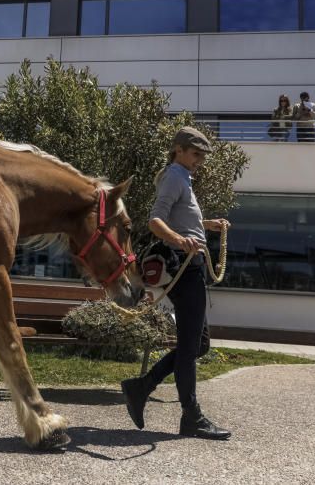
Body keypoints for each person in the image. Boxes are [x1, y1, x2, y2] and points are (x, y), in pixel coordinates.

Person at [120, 126, 232, 440]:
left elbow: (180, 218)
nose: (199, 160)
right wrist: (179, 240)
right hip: (185, 270)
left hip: (192, 268)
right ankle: (191, 416)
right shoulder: (174, 176)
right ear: (179, 149)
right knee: (190, 346)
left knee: (196, 344)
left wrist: (206, 225)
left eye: (202, 156)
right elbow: (155, 220)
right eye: (196, 154)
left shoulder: (182, 178)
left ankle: (141, 387)